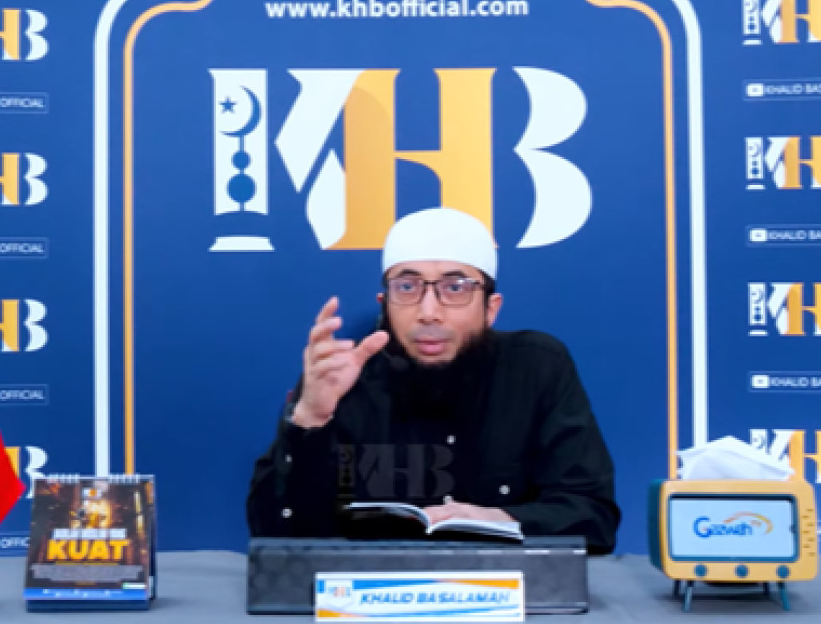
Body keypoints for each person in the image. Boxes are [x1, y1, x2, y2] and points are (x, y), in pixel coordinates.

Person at [246, 207, 620, 553]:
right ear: (385, 304)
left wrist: (502, 520)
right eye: (408, 288)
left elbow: (593, 518)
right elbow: (273, 533)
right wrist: (310, 418)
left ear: (490, 309)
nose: (428, 312)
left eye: (455, 288)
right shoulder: (341, 377)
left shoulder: (536, 368)